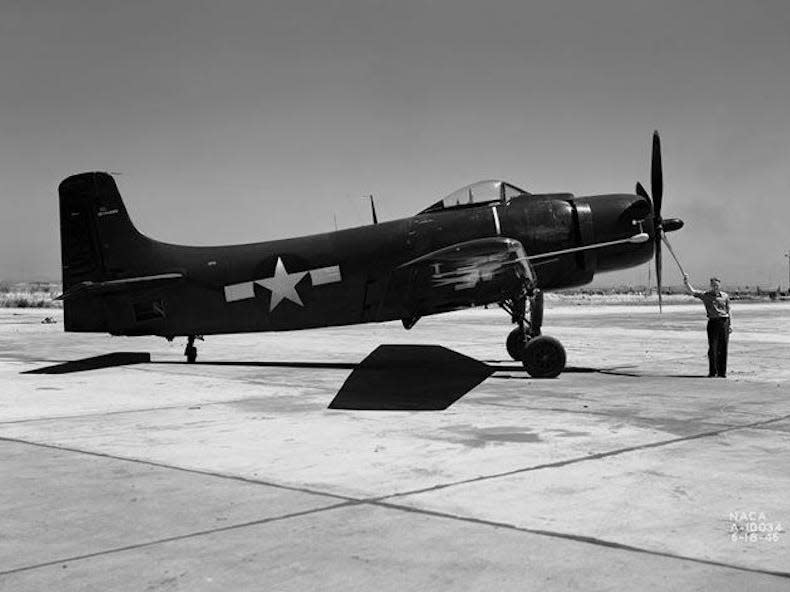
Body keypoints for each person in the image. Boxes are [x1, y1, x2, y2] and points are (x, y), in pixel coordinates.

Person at [683, 274, 732, 377]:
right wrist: (686, 282)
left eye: (717, 285)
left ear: (720, 285)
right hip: (713, 322)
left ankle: (722, 372)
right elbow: (693, 291)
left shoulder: (725, 296)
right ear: (711, 286)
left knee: (723, 348)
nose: (715, 287)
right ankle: (713, 371)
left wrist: (730, 324)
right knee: (713, 348)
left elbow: (729, 310)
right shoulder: (706, 295)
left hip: (724, 322)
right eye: (713, 285)